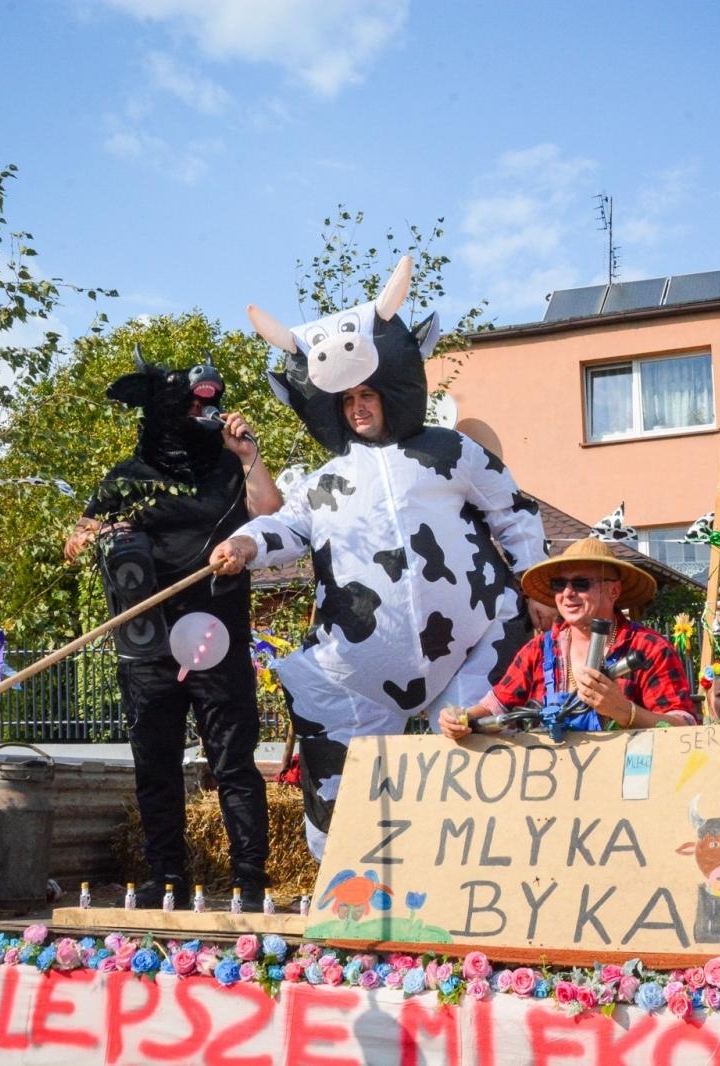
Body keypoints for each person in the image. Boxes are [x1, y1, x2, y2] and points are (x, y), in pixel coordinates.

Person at [213, 257, 546, 858]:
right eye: (346, 400)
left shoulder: (452, 451)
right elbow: (285, 528)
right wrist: (243, 544)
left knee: (480, 779)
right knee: (344, 798)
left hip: (474, 650)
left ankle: (483, 877)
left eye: (368, 394)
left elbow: (513, 511)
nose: (358, 407)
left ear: (391, 391)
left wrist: (536, 586)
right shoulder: (327, 478)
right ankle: (347, 889)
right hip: (357, 674)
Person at [64, 351, 282, 909]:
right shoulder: (127, 478)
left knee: (233, 762)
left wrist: (248, 453)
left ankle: (249, 882)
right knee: (156, 766)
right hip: (147, 644)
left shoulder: (230, 470)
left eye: (206, 403)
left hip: (217, 635)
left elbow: (270, 510)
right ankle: (168, 880)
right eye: (186, 404)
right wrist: (89, 535)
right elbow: (80, 535)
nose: (198, 413)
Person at [438, 538, 696, 738]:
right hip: (556, 795)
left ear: (614, 590)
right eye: (559, 585)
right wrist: (459, 718)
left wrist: (624, 712)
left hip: (623, 792)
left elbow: (683, 728)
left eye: (581, 584)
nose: (568, 593)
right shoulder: (538, 649)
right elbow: (495, 707)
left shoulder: (648, 648)